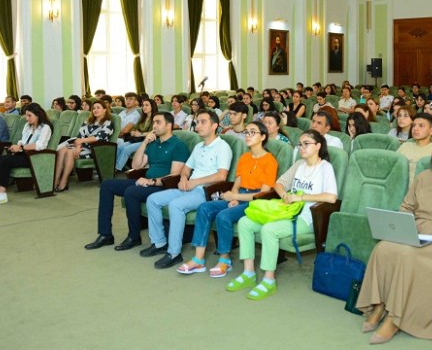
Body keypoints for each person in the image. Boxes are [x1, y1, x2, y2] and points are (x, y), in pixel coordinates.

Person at [356, 133, 432, 344]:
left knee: (407, 256)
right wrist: (404, 226)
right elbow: (407, 206)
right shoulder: (423, 177)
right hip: (417, 229)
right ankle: (380, 305)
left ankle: (395, 318)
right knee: (383, 249)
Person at [230, 130, 338, 300]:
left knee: (269, 229)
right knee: (245, 222)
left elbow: (331, 197)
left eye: (306, 144)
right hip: (286, 211)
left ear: (318, 146)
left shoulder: (325, 167)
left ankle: (269, 280)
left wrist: (301, 197)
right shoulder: (299, 165)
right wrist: (285, 195)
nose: (302, 147)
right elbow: (279, 183)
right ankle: (248, 272)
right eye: (300, 144)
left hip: (306, 218)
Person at [178, 121, 278, 277]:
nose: (248, 135)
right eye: (247, 132)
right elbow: (237, 183)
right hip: (240, 195)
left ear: (263, 137)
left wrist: (235, 196)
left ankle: (225, 260)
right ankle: (198, 259)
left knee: (223, 216)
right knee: (204, 207)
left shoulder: (270, 160)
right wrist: (234, 196)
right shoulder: (244, 157)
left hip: (256, 201)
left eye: (253, 132)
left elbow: (263, 193)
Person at [84, 111, 190, 251]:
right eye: (153, 122)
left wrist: (152, 181)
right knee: (107, 185)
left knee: (131, 191)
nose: (154, 126)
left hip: (163, 186)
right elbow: (136, 165)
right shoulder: (153, 143)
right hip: (147, 182)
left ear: (169, 125)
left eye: (158, 122)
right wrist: (145, 142)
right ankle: (105, 235)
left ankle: (134, 237)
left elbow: (174, 175)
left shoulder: (178, 145)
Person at [142, 110, 232, 269]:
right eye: (197, 122)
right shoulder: (198, 146)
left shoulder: (222, 147)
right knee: (153, 200)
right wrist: (184, 178)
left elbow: (221, 176)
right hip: (189, 187)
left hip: (206, 191)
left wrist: (195, 182)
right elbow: (186, 169)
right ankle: (159, 243)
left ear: (214, 125)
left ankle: (174, 253)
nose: (198, 126)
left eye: (203, 122)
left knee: (175, 205)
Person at [0, 103, 53, 205]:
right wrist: (17, 146)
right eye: (26, 115)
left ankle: (2, 194)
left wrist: (21, 147)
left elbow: (40, 145)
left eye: (29, 115)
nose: (27, 118)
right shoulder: (27, 126)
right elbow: (23, 141)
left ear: (38, 115)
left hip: (34, 157)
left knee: (5, 161)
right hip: (23, 153)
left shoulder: (45, 128)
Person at [53, 101, 114, 192]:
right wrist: (78, 146)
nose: (95, 110)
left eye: (98, 108)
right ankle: (56, 180)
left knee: (69, 152)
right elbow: (80, 135)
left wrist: (81, 141)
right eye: (94, 108)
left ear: (105, 110)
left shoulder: (108, 123)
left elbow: (99, 137)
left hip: (96, 149)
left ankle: (64, 181)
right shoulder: (88, 121)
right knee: (62, 150)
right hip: (82, 146)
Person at [115, 98, 157, 171]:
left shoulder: (156, 118)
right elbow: (135, 128)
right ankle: (112, 165)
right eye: (143, 105)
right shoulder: (143, 117)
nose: (144, 107)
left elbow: (155, 132)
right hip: (138, 139)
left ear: (152, 106)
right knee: (120, 146)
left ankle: (116, 169)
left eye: (147, 105)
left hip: (149, 142)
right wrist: (133, 132)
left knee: (126, 149)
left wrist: (141, 134)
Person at [397, 113, 432, 185]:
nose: (415, 128)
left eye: (421, 126)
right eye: (413, 125)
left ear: (431, 131)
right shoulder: (405, 146)